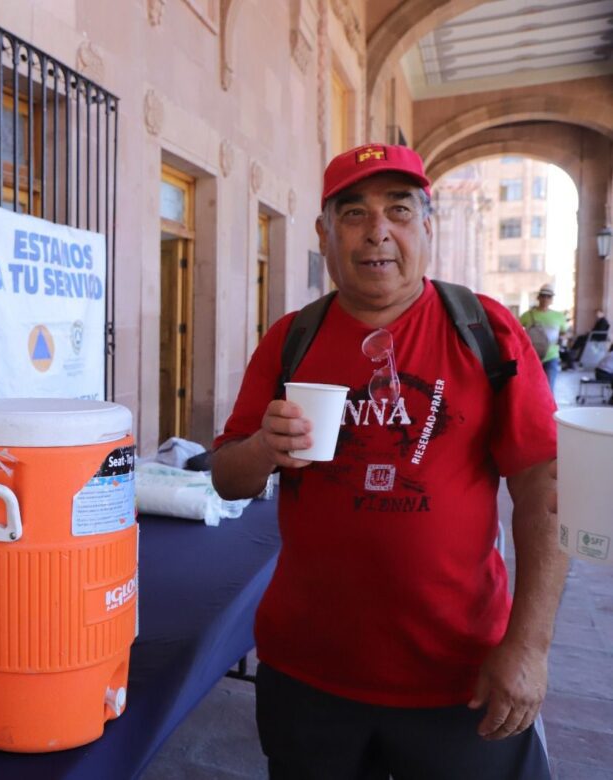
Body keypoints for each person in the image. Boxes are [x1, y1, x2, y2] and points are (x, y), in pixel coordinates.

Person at [212, 143, 567, 779]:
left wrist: (529, 646)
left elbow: (545, 486)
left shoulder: (483, 330)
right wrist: (266, 448)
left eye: (398, 210)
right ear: (324, 234)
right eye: (353, 213)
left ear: (426, 226)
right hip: (308, 675)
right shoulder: (291, 337)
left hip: (460, 679)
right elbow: (226, 478)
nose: (378, 231)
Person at [520, 285, 568, 390]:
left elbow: (564, 333)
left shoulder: (559, 316)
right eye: (543, 296)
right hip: (532, 356)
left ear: (552, 300)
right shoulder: (527, 315)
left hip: (552, 356)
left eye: (549, 296)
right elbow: (517, 331)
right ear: (538, 297)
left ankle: (549, 407)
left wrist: (562, 338)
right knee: (533, 389)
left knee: (549, 389)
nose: (545, 299)